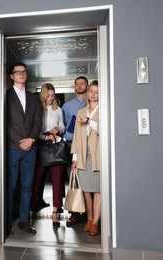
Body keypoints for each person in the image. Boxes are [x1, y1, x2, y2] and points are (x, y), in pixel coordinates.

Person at [6, 62, 42, 235]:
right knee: (10, 185)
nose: (21, 74)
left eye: (24, 72)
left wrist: (32, 139)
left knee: (28, 186)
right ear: (11, 76)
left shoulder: (34, 98)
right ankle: (5, 221)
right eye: (17, 72)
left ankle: (24, 220)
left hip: (31, 149)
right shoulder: (5, 96)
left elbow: (37, 122)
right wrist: (20, 141)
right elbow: (4, 123)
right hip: (12, 148)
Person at [30, 83, 65, 227]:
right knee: (36, 179)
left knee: (57, 180)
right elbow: (33, 129)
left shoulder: (59, 110)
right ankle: (31, 208)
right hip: (41, 145)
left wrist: (59, 129)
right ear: (43, 94)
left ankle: (55, 212)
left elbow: (63, 125)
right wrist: (45, 137)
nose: (52, 98)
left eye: (53, 94)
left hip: (56, 146)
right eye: (49, 95)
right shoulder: (37, 109)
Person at [71, 80, 100, 236]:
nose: (93, 94)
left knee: (97, 191)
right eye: (91, 91)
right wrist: (75, 158)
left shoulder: (105, 110)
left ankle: (95, 222)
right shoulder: (81, 111)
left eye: (97, 92)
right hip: (83, 156)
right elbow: (76, 137)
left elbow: (105, 130)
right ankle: (89, 218)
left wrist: (90, 121)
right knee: (86, 191)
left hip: (98, 156)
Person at [62, 76, 88, 227]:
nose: (79, 86)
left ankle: (87, 213)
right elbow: (63, 127)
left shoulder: (92, 103)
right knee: (72, 179)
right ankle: (74, 213)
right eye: (77, 84)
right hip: (72, 146)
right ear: (74, 87)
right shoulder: (67, 106)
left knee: (87, 180)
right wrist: (71, 134)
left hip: (90, 146)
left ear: (87, 85)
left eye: (82, 83)